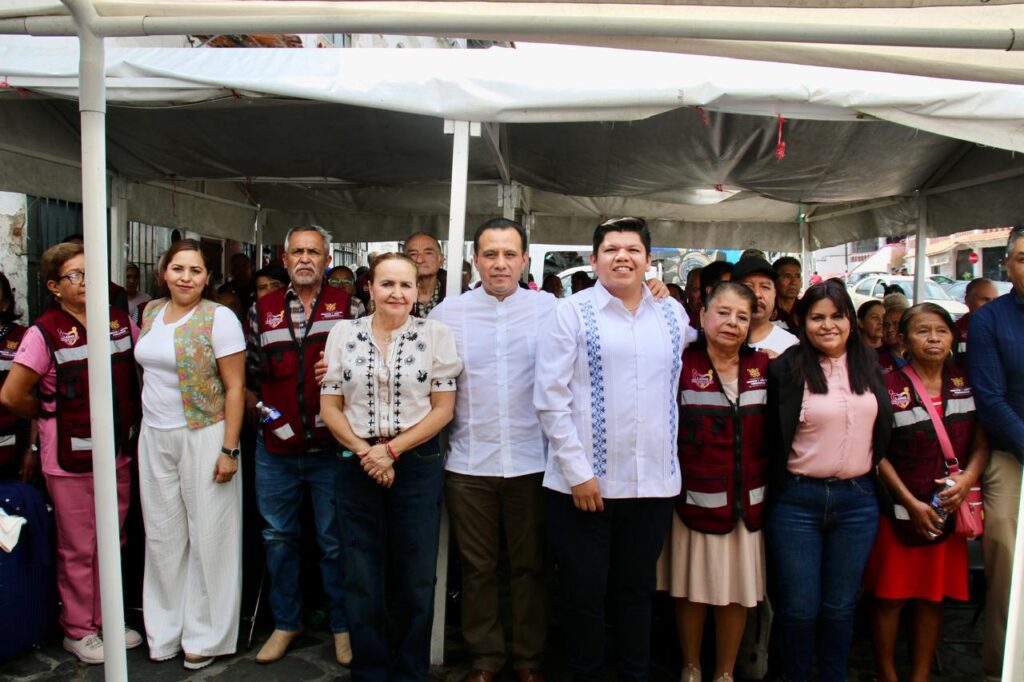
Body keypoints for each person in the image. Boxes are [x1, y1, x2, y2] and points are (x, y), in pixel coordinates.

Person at [535, 217, 696, 682]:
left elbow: (710, 343)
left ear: (648, 260)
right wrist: (578, 473)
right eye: (611, 249)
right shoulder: (571, 313)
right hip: (586, 487)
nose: (622, 256)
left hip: (652, 485)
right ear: (594, 259)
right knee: (584, 595)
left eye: (632, 249)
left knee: (636, 593)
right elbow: (550, 397)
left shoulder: (672, 313)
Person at [320, 252, 462, 682]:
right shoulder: (343, 333)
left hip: (415, 463)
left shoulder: (436, 334)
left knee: (416, 576)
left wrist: (392, 451)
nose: (396, 293)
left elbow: (443, 410)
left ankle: (410, 672)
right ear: (370, 288)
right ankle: (371, 671)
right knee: (362, 574)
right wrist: (367, 452)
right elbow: (330, 407)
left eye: (405, 285)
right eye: (387, 284)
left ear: (418, 291)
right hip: (356, 461)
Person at [0, 242, 143, 664]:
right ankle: (78, 629)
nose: (85, 282)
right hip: (69, 460)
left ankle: (106, 619)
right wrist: (49, 414)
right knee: (79, 546)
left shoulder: (118, 321)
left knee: (112, 540)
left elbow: (143, 363)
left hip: (116, 453)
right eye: (75, 275)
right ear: (54, 287)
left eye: (90, 272)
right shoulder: (42, 332)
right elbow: (12, 395)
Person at [430, 219, 557, 682]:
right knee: (477, 568)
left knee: (530, 567)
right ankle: (485, 657)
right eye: (490, 254)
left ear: (524, 260)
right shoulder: (448, 314)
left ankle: (528, 658)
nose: (499, 264)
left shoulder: (551, 310)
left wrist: (655, 293)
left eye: (509, 254)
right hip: (469, 462)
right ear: (475, 261)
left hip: (533, 460)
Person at [765, 279, 892, 682]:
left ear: (851, 320)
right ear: (803, 322)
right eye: (817, 317)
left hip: (857, 501)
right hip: (797, 502)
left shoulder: (870, 364)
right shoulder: (785, 368)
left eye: (837, 316)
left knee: (840, 607)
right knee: (799, 608)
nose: (828, 325)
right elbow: (769, 437)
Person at [134, 240, 246, 670]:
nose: (186, 277)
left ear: (207, 277)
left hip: (205, 432)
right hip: (155, 434)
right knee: (162, 536)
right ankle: (164, 631)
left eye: (195, 270)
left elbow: (235, 387)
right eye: (178, 268)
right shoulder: (150, 312)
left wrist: (229, 448)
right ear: (164, 272)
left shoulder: (219, 318)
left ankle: (207, 635)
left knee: (210, 536)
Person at [863, 303, 989, 682]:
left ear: (952, 338)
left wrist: (967, 480)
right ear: (903, 340)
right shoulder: (886, 386)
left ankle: (920, 676)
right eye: (922, 331)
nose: (933, 338)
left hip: (947, 511)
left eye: (941, 331)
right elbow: (876, 453)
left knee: (932, 600)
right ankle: (887, 674)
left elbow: (982, 442)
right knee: (890, 599)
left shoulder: (966, 381)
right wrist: (909, 502)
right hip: (898, 512)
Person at [246, 225, 354, 666]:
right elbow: (249, 378)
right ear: (285, 259)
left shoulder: (348, 306)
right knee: (278, 539)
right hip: (276, 451)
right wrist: (267, 416)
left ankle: (343, 626)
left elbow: (368, 370)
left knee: (335, 541)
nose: (305, 258)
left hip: (331, 448)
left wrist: (344, 372)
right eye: (297, 251)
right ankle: (286, 622)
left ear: (327, 259)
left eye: (313, 251)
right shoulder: (262, 308)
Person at [658, 282, 768, 682]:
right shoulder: (679, 364)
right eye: (723, 312)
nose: (732, 323)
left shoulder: (766, 368)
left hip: (747, 502)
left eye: (742, 316)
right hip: (694, 498)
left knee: (737, 591)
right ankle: (691, 666)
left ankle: (725, 673)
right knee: (693, 588)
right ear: (702, 315)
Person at [967, 224, 1024, 681]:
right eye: (1022, 258)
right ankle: (1001, 670)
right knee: (1006, 559)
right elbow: (990, 399)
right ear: (1007, 265)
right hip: (1009, 452)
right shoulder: (990, 320)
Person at [732, 256, 797, 358]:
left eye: (765, 287)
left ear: (775, 293)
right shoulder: (718, 340)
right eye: (748, 287)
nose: (757, 294)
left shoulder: (791, 346)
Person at [404, 232, 448, 317]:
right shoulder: (395, 295)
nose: (419, 260)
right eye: (413, 254)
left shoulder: (457, 293)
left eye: (428, 253)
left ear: (441, 260)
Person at [955, 277, 998, 357]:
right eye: (985, 300)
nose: (992, 305)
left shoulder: (1006, 330)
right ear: (967, 300)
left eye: (996, 300)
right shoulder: (954, 331)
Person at [879, 298, 909, 374]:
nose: (890, 329)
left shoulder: (919, 356)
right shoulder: (875, 359)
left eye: (896, 324)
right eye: (886, 325)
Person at [771, 256, 801, 331]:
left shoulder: (806, 309)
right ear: (774, 280)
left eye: (797, 276)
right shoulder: (767, 311)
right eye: (787, 276)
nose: (793, 282)